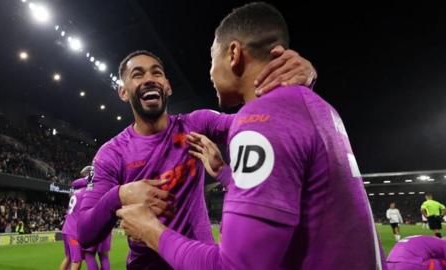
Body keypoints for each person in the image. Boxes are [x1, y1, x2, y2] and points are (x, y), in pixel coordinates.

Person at [115, 2, 386, 269]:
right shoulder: (319, 106)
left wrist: (150, 230)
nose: (210, 73)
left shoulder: (261, 118)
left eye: (212, 59)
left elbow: (235, 266)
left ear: (233, 54)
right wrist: (222, 170)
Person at [78, 31, 317, 270]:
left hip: (198, 262)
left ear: (167, 87)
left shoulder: (195, 123)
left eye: (157, 73)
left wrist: (297, 85)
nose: (149, 79)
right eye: (137, 74)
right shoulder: (111, 153)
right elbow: (85, 232)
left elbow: (261, 123)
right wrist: (119, 195)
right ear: (123, 92)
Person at [59, 166, 93, 270]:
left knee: (68, 258)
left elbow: (75, 183)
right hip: (74, 232)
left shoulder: (75, 192)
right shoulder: (86, 193)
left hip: (66, 230)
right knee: (77, 261)